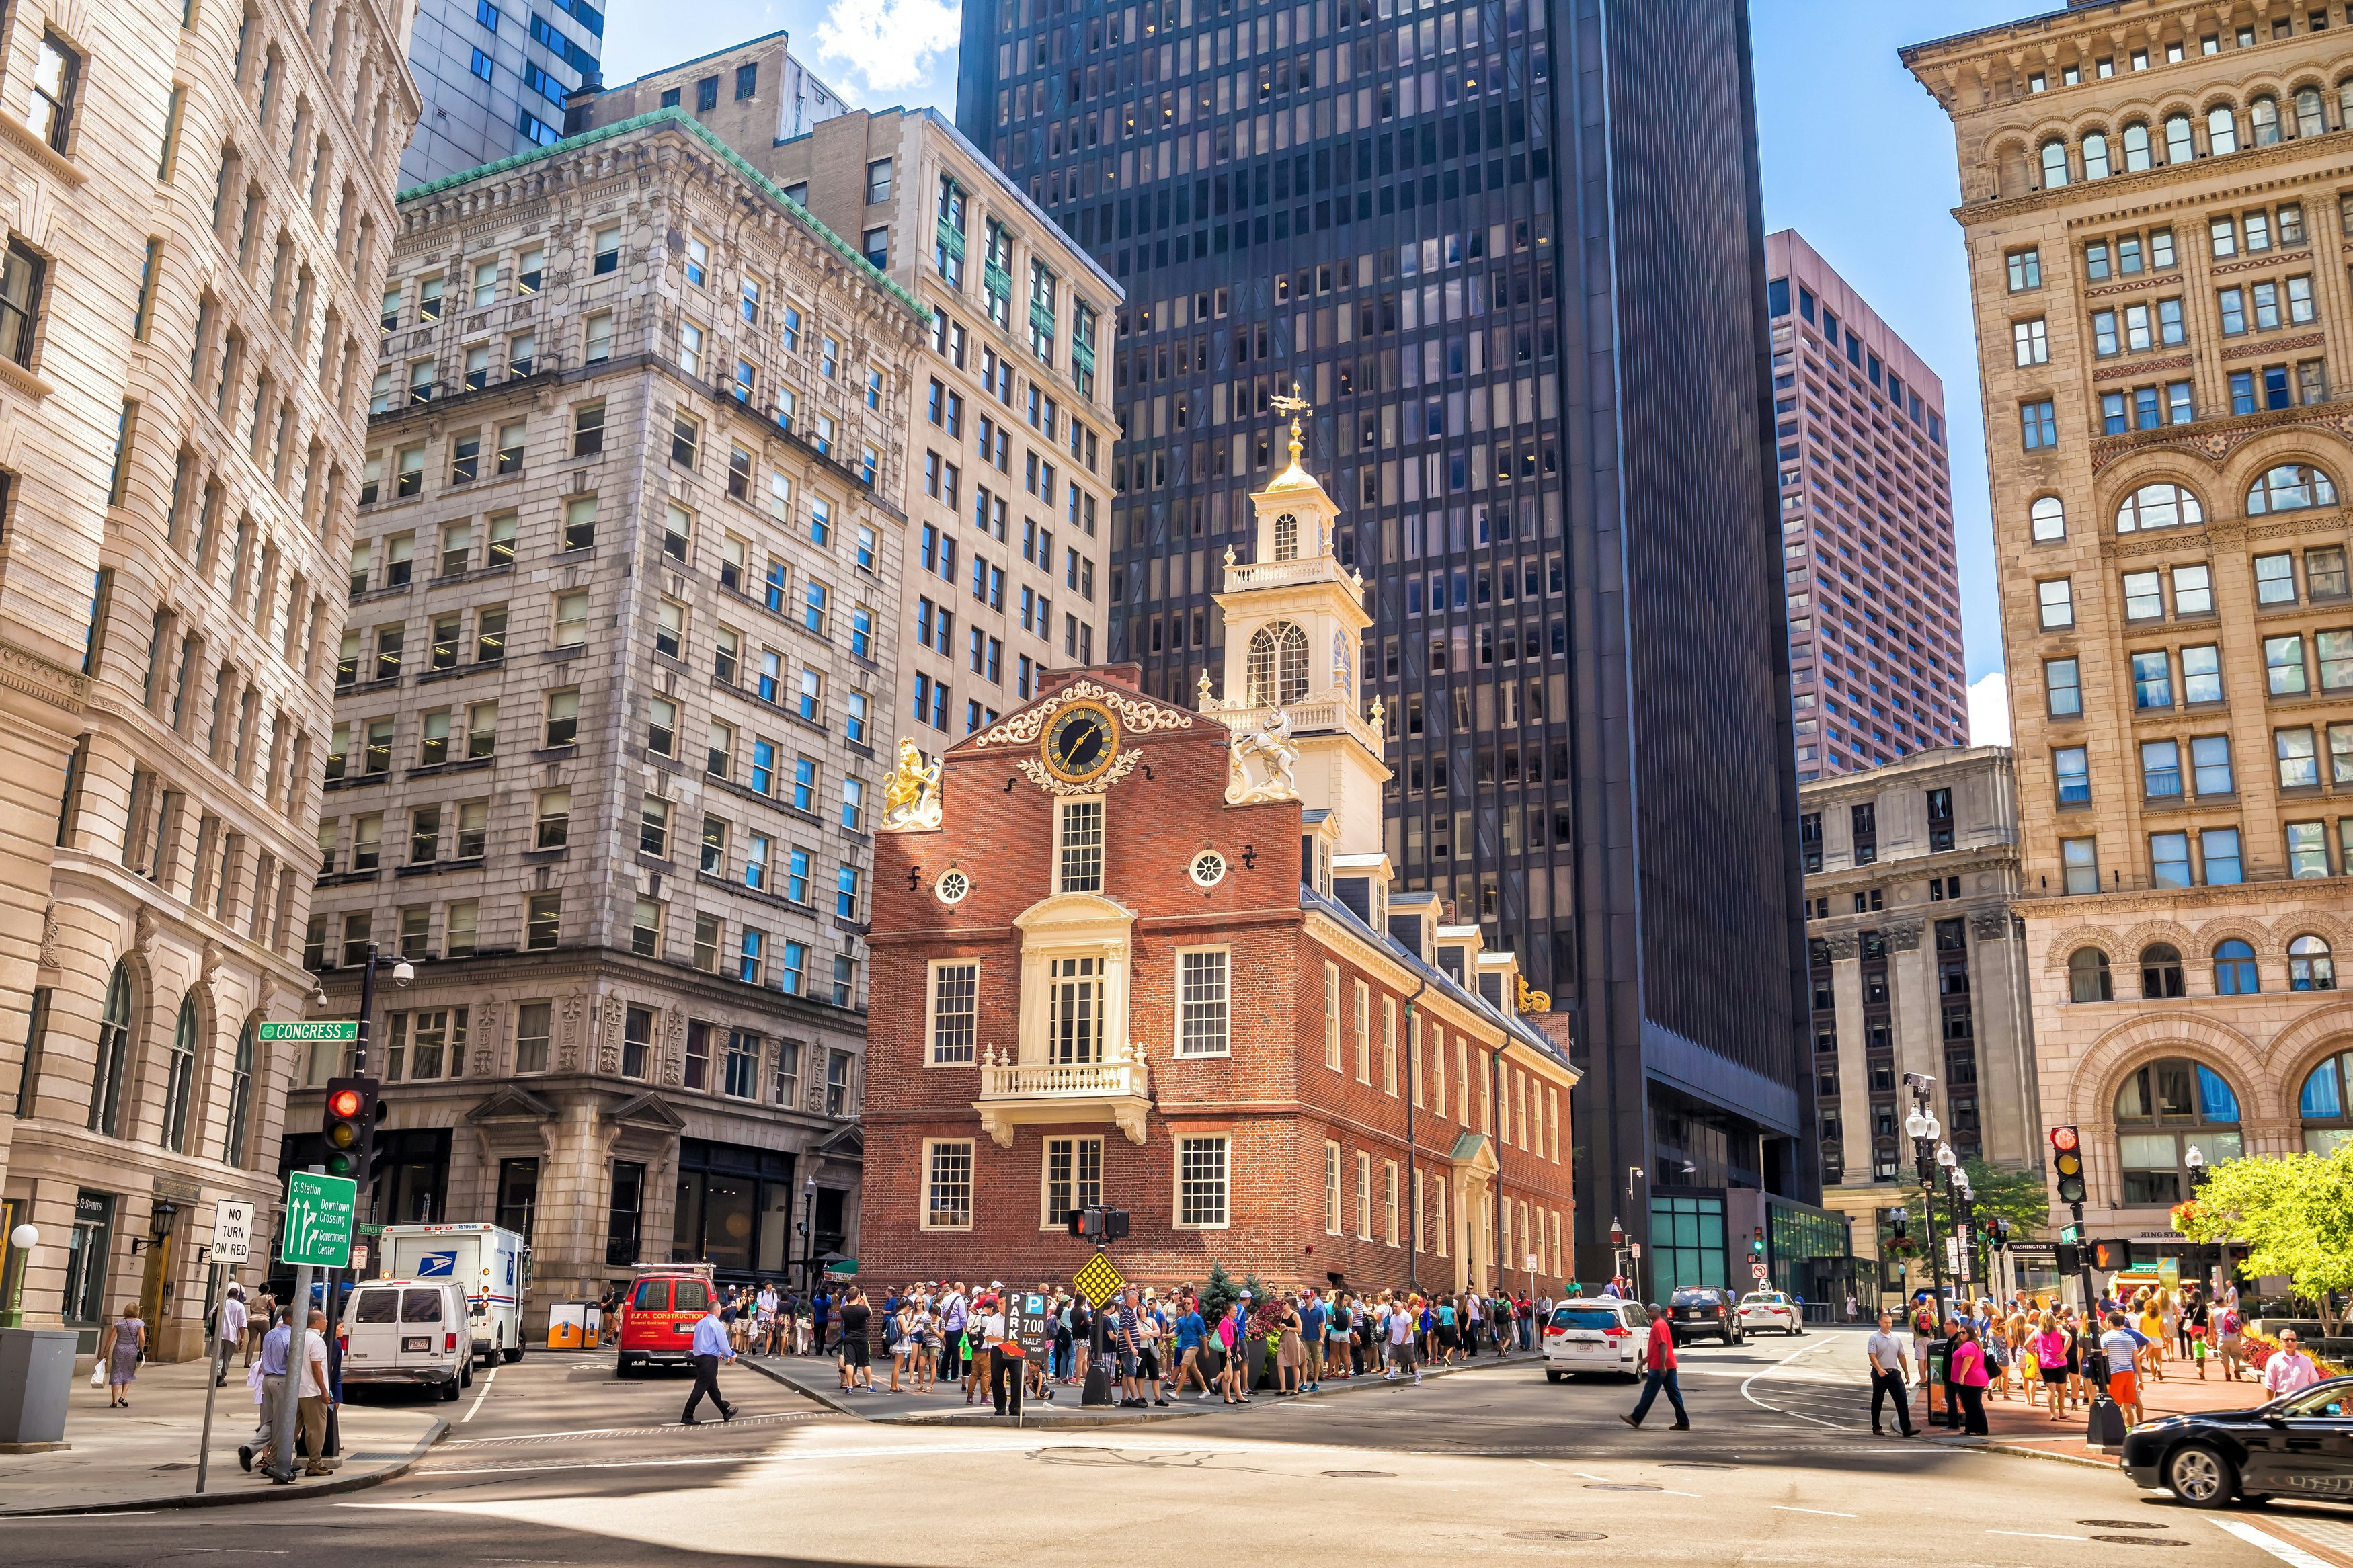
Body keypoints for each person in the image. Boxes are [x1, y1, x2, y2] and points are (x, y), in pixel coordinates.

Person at [239, 1307, 294, 1473]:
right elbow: (293, 1361)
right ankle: (276, 1462)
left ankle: (250, 1448)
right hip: (281, 1381)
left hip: (268, 1380)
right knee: (281, 1423)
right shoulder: (290, 1337)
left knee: (270, 1421)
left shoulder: (270, 1334)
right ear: (290, 1319)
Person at [1622, 1305, 1689, 1430]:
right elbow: (1658, 1347)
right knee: (1674, 1394)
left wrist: (1662, 1365)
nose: (1648, 1313)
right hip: (1667, 1364)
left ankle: (1636, 1418)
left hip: (1660, 1366)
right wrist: (1648, 1358)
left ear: (1657, 1312)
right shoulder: (1660, 1324)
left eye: (1650, 1311)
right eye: (1648, 1311)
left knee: (1649, 1392)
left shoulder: (1658, 1325)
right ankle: (1683, 1422)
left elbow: (1663, 1346)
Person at [682, 1294, 738, 1425]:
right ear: (717, 1310)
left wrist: (716, 1353)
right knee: (700, 1387)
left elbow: (700, 1342)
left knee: (712, 1387)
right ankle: (687, 1415)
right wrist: (730, 1355)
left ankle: (725, 1410)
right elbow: (723, 1344)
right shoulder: (717, 1325)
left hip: (700, 1357)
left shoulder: (700, 1323)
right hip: (708, 1360)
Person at [294, 1309, 335, 1475]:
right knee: (316, 1429)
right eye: (324, 1319)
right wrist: (324, 1391)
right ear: (316, 1322)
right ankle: (315, 1463)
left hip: (297, 1390)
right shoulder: (317, 1341)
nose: (327, 1322)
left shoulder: (298, 1338)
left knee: (291, 1428)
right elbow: (316, 1367)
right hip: (313, 1391)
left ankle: (274, 1460)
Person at [1866, 1311, 1916, 1437]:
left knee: (1902, 1400)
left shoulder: (1896, 1338)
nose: (1888, 1325)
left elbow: (1901, 1356)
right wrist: (1879, 1369)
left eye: (1890, 1323)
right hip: (1879, 1374)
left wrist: (1906, 1372)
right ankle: (1876, 1427)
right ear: (1880, 1323)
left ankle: (1906, 1428)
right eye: (1886, 1323)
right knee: (1878, 1400)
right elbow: (1872, 1356)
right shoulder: (1874, 1338)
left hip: (1894, 1373)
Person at [2099, 1311, 2144, 1425]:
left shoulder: (2106, 1337)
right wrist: (2140, 1380)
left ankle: (2114, 1429)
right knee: (2127, 1405)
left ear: (2110, 1323)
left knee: (2112, 1404)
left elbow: (2102, 1357)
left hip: (2114, 1373)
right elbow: (2136, 1361)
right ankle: (2129, 1428)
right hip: (2128, 1373)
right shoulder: (2130, 1339)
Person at [1949, 1323, 1990, 1436]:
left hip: (1970, 1380)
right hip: (1971, 1379)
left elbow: (1968, 1360)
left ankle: (1981, 1428)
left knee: (1974, 1405)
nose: (1961, 1335)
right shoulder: (1971, 1345)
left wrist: (1962, 1376)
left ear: (1970, 1334)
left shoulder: (1970, 1345)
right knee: (1970, 1405)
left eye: (1964, 1333)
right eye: (1960, 1332)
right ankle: (1971, 1428)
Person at [102, 1301, 145, 1408]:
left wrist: (105, 1351)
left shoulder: (119, 1323)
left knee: (116, 1372)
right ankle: (123, 1396)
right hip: (132, 1350)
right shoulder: (139, 1323)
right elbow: (143, 1338)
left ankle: (114, 1401)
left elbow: (111, 1338)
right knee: (128, 1372)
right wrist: (141, 1350)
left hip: (119, 1349)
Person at [2262, 1330, 2323, 1397]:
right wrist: (2269, 1405)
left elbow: (2315, 1382)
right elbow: (2270, 1385)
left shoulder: (2306, 1361)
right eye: (2287, 1340)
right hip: (2283, 1400)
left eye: (2293, 1340)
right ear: (2281, 1342)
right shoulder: (2274, 1360)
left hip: (2303, 1399)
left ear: (2296, 1343)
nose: (2290, 1342)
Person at [836, 1288, 873, 1393]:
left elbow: (844, 1307)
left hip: (849, 1339)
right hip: (862, 1338)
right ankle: (869, 1386)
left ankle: (849, 1387)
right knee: (866, 1363)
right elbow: (870, 1313)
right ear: (859, 1296)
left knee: (849, 1363)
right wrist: (865, 1300)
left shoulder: (844, 1310)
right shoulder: (863, 1309)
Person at [214, 1284, 247, 1389]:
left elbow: (211, 1315)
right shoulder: (240, 1306)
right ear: (237, 1296)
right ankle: (222, 1377)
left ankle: (217, 1372)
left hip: (220, 1334)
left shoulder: (221, 1303)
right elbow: (242, 1324)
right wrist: (242, 1337)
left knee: (218, 1356)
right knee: (227, 1358)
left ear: (228, 1295)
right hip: (231, 1335)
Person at [1386, 1294, 1421, 1385]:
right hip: (1395, 1341)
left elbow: (1409, 1328)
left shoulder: (1406, 1316)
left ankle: (1417, 1376)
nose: (1394, 1308)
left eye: (1396, 1306)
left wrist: (1404, 1339)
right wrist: (1390, 1341)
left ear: (1401, 1307)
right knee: (1391, 1356)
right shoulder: (1393, 1317)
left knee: (1411, 1359)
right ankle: (1392, 1373)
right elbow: (1391, 1330)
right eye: (1393, 1307)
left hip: (1407, 1342)